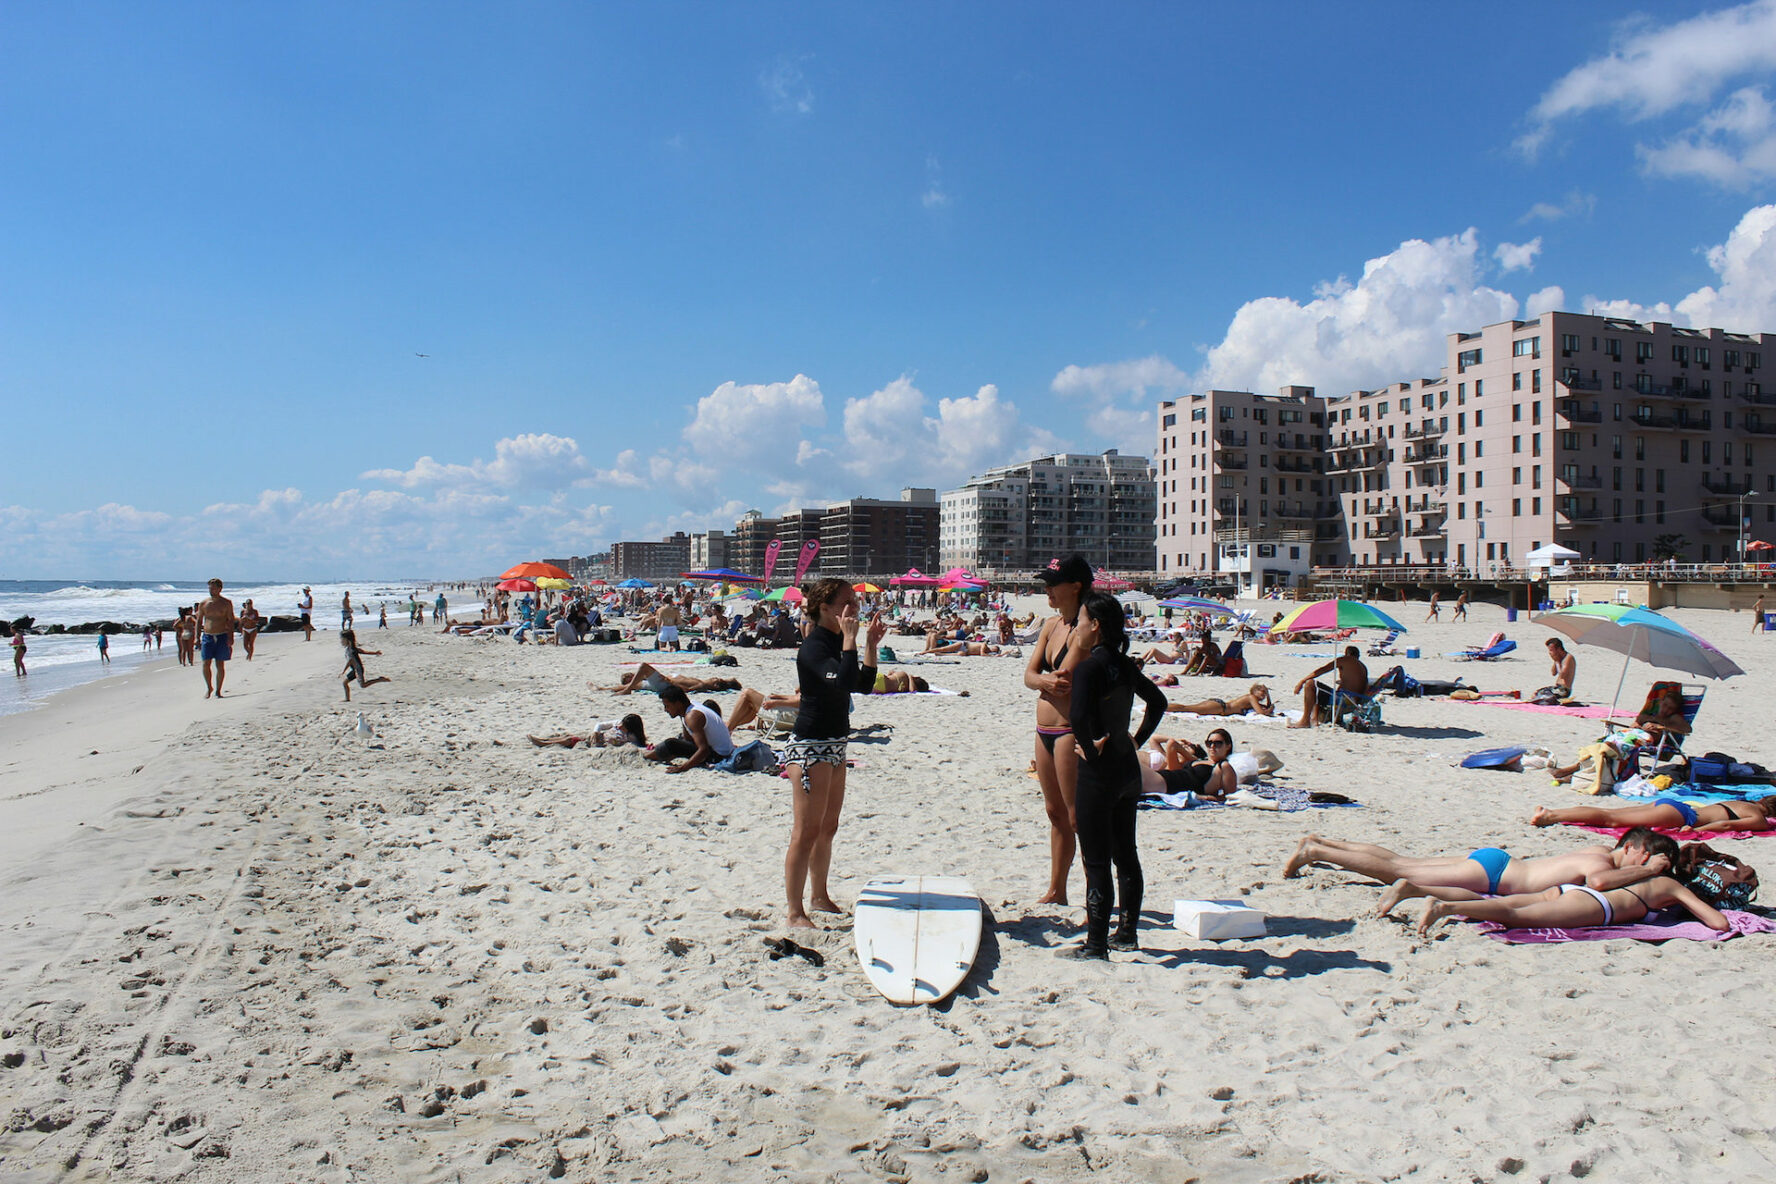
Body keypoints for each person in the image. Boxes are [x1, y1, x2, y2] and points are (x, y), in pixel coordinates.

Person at [1063, 591, 1168, 958]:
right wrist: (1135, 739)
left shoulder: (1089, 668)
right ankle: (1126, 934)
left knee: (1095, 860)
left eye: (1080, 620)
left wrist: (1089, 749)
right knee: (1126, 854)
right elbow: (1159, 702)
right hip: (1127, 769)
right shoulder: (1125, 665)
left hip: (1099, 774)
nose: (1075, 626)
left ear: (1095, 626)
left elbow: (1077, 717)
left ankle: (1095, 946)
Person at [781, 578, 886, 930]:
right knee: (805, 832)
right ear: (824, 608)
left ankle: (819, 896)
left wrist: (869, 644)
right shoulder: (813, 647)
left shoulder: (837, 642)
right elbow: (840, 681)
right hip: (810, 747)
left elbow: (862, 686)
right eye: (846, 602)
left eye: (854, 602)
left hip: (836, 745)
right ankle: (795, 912)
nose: (853, 608)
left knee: (828, 827)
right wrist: (851, 640)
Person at [1283, 828, 1679, 916]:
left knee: (1403, 861)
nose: (1641, 870)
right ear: (1633, 848)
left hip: (1497, 862)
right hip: (1496, 878)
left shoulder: (1596, 848)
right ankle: (1319, 850)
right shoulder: (1602, 863)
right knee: (1396, 869)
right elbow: (1599, 884)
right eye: (1643, 860)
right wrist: (1650, 872)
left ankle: (1326, 844)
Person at [1022, 554, 1094, 906]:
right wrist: (1043, 682)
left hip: (1069, 729)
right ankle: (1057, 890)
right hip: (1043, 729)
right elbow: (1029, 676)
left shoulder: (1088, 628)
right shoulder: (1051, 625)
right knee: (1054, 813)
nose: (1047, 589)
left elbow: (1061, 679)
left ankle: (1096, 891)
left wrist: (1043, 681)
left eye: (1053, 583)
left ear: (1076, 586)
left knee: (1077, 816)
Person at [1416, 875, 1729, 937]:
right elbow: (1719, 923)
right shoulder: (1670, 885)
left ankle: (1417, 891)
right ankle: (1445, 907)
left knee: (1501, 904)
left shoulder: (1644, 877)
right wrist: (1694, 902)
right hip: (1597, 906)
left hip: (1573, 890)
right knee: (1514, 917)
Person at [1531, 797, 1776, 833]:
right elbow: (1726, 825)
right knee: (1611, 819)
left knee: (1611, 813)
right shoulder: (1759, 818)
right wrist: (1697, 831)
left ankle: (1555, 812)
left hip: (1677, 805)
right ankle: (1550, 816)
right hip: (1685, 818)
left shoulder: (1742, 801)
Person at [644, 685, 736, 773]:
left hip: (719, 756)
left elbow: (704, 750)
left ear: (678, 704)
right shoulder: (688, 709)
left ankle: (645, 757)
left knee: (671, 744)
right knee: (679, 741)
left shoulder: (692, 716)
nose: (666, 710)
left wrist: (682, 768)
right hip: (722, 751)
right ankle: (652, 755)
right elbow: (688, 739)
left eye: (667, 706)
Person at [1141, 728, 1238, 800]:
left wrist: (1202, 797)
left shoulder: (1223, 766)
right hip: (1164, 777)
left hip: (1170, 784)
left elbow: (1229, 796)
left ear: (1228, 746)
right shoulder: (1199, 760)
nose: (1212, 746)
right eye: (1209, 743)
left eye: (1218, 743)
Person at [1290, 644, 1369, 728]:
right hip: (1355, 702)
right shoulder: (1363, 666)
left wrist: (1302, 681)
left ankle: (1305, 721)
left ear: (1347, 654)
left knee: (1311, 684)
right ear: (1358, 655)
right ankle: (1314, 719)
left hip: (1345, 700)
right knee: (1319, 689)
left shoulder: (1345, 660)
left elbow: (1323, 669)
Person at [193, 578, 237, 699]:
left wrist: (230, 637)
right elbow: (198, 621)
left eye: (213, 588)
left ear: (219, 589)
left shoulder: (226, 603)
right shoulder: (204, 603)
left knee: (220, 664)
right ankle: (209, 687)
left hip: (222, 635)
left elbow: (231, 620)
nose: (210, 590)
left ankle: (218, 690)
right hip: (207, 636)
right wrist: (197, 637)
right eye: (209, 588)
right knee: (206, 663)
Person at [599, 661, 741, 696]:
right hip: (664, 682)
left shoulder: (701, 685)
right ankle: (605, 688)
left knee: (644, 667)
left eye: (716, 679)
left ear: (715, 686)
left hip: (665, 685)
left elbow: (686, 690)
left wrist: (671, 682)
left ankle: (627, 690)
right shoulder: (699, 681)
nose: (714, 677)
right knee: (638, 683)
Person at [529, 713, 648, 749]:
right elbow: (600, 724)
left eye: (624, 726)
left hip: (599, 744)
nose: (620, 726)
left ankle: (544, 744)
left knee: (570, 740)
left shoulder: (631, 737)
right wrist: (595, 732)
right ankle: (545, 740)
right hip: (596, 737)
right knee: (568, 736)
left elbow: (637, 745)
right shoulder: (617, 723)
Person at [340, 628, 390, 701]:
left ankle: (379, 679)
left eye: (342, 639)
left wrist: (343, 671)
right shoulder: (350, 648)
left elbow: (350, 661)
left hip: (358, 669)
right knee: (345, 683)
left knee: (363, 685)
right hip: (354, 669)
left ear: (348, 640)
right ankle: (347, 699)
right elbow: (364, 652)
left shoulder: (352, 650)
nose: (341, 641)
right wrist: (375, 653)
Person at [1168, 683, 1273, 717]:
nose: (1263, 695)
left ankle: (1163, 706)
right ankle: (1163, 707)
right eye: (1263, 692)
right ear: (1255, 691)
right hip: (1220, 707)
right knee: (1186, 708)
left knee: (1187, 707)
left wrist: (1268, 697)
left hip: (1219, 705)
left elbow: (1265, 708)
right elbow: (1261, 712)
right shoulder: (1251, 697)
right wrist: (1269, 709)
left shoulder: (1252, 700)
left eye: (1265, 693)